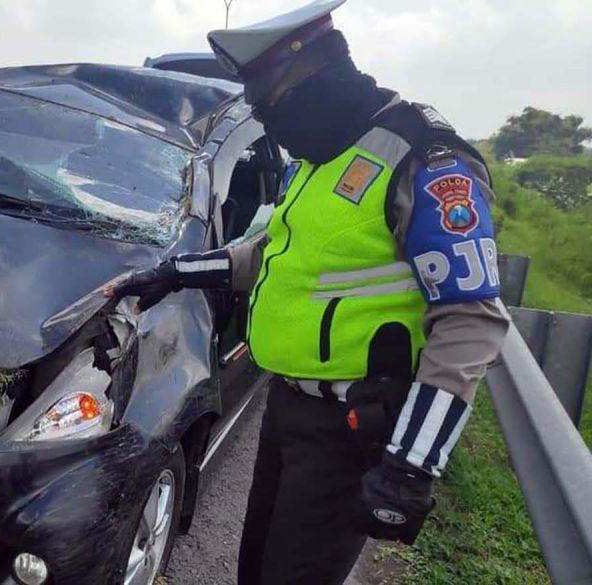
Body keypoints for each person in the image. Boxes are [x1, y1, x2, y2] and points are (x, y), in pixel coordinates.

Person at [105, 1, 510, 582]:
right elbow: (276, 254)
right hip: (289, 406)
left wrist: (412, 463)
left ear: (314, 74)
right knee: (258, 571)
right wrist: (176, 272)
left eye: (268, 102)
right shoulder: (322, 153)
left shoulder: (421, 158)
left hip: (355, 427)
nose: (267, 121)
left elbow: (472, 320)